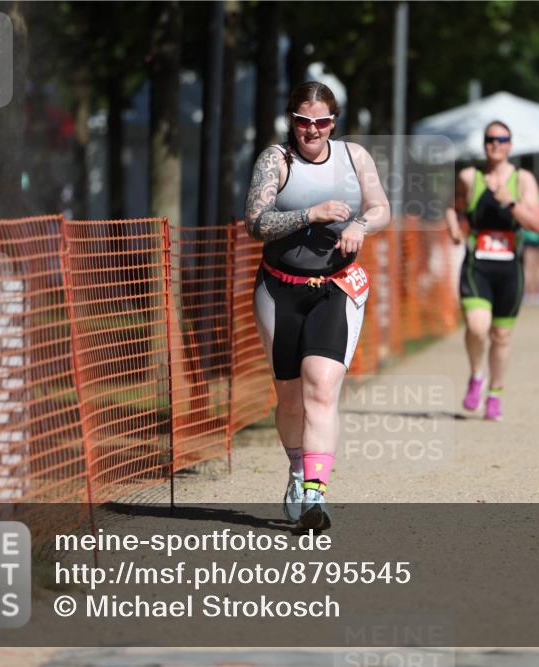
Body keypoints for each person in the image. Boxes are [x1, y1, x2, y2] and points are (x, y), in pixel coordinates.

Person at [243, 81, 390, 530]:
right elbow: (255, 222)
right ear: (292, 119)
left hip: (337, 287)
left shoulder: (353, 157)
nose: (313, 130)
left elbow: (381, 206)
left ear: (334, 121)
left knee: (321, 386)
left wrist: (361, 226)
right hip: (279, 289)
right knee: (289, 400)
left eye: (322, 121)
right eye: (304, 121)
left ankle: (314, 495)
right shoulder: (276, 160)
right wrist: (310, 214)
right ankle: (295, 466)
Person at [445, 120, 539, 420]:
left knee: (501, 335)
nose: (495, 144)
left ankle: (496, 394)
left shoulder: (523, 180)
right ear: (484, 143)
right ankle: (477, 376)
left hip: (510, 268)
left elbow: (537, 224)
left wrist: (510, 202)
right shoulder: (469, 177)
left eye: (502, 139)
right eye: (490, 139)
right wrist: (454, 228)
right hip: (478, 265)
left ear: (510, 145)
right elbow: (454, 207)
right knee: (476, 326)